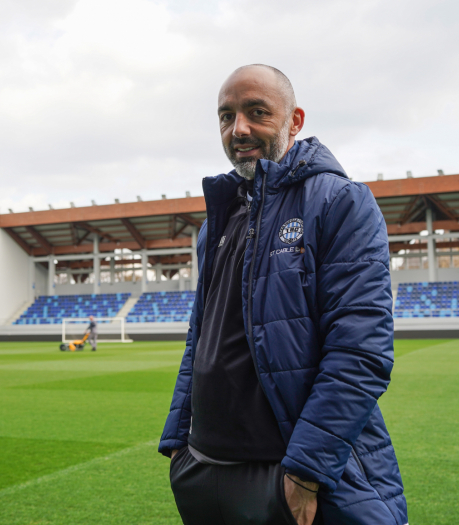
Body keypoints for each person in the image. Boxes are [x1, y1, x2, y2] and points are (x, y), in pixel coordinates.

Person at [159, 65, 408, 525]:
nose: (240, 129)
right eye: (227, 116)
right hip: (204, 467)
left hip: (285, 474)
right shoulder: (216, 221)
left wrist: (306, 471)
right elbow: (200, 337)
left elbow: (361, 350)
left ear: (295, 121)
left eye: (257, 112)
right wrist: (177, 441)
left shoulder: (341, 202)